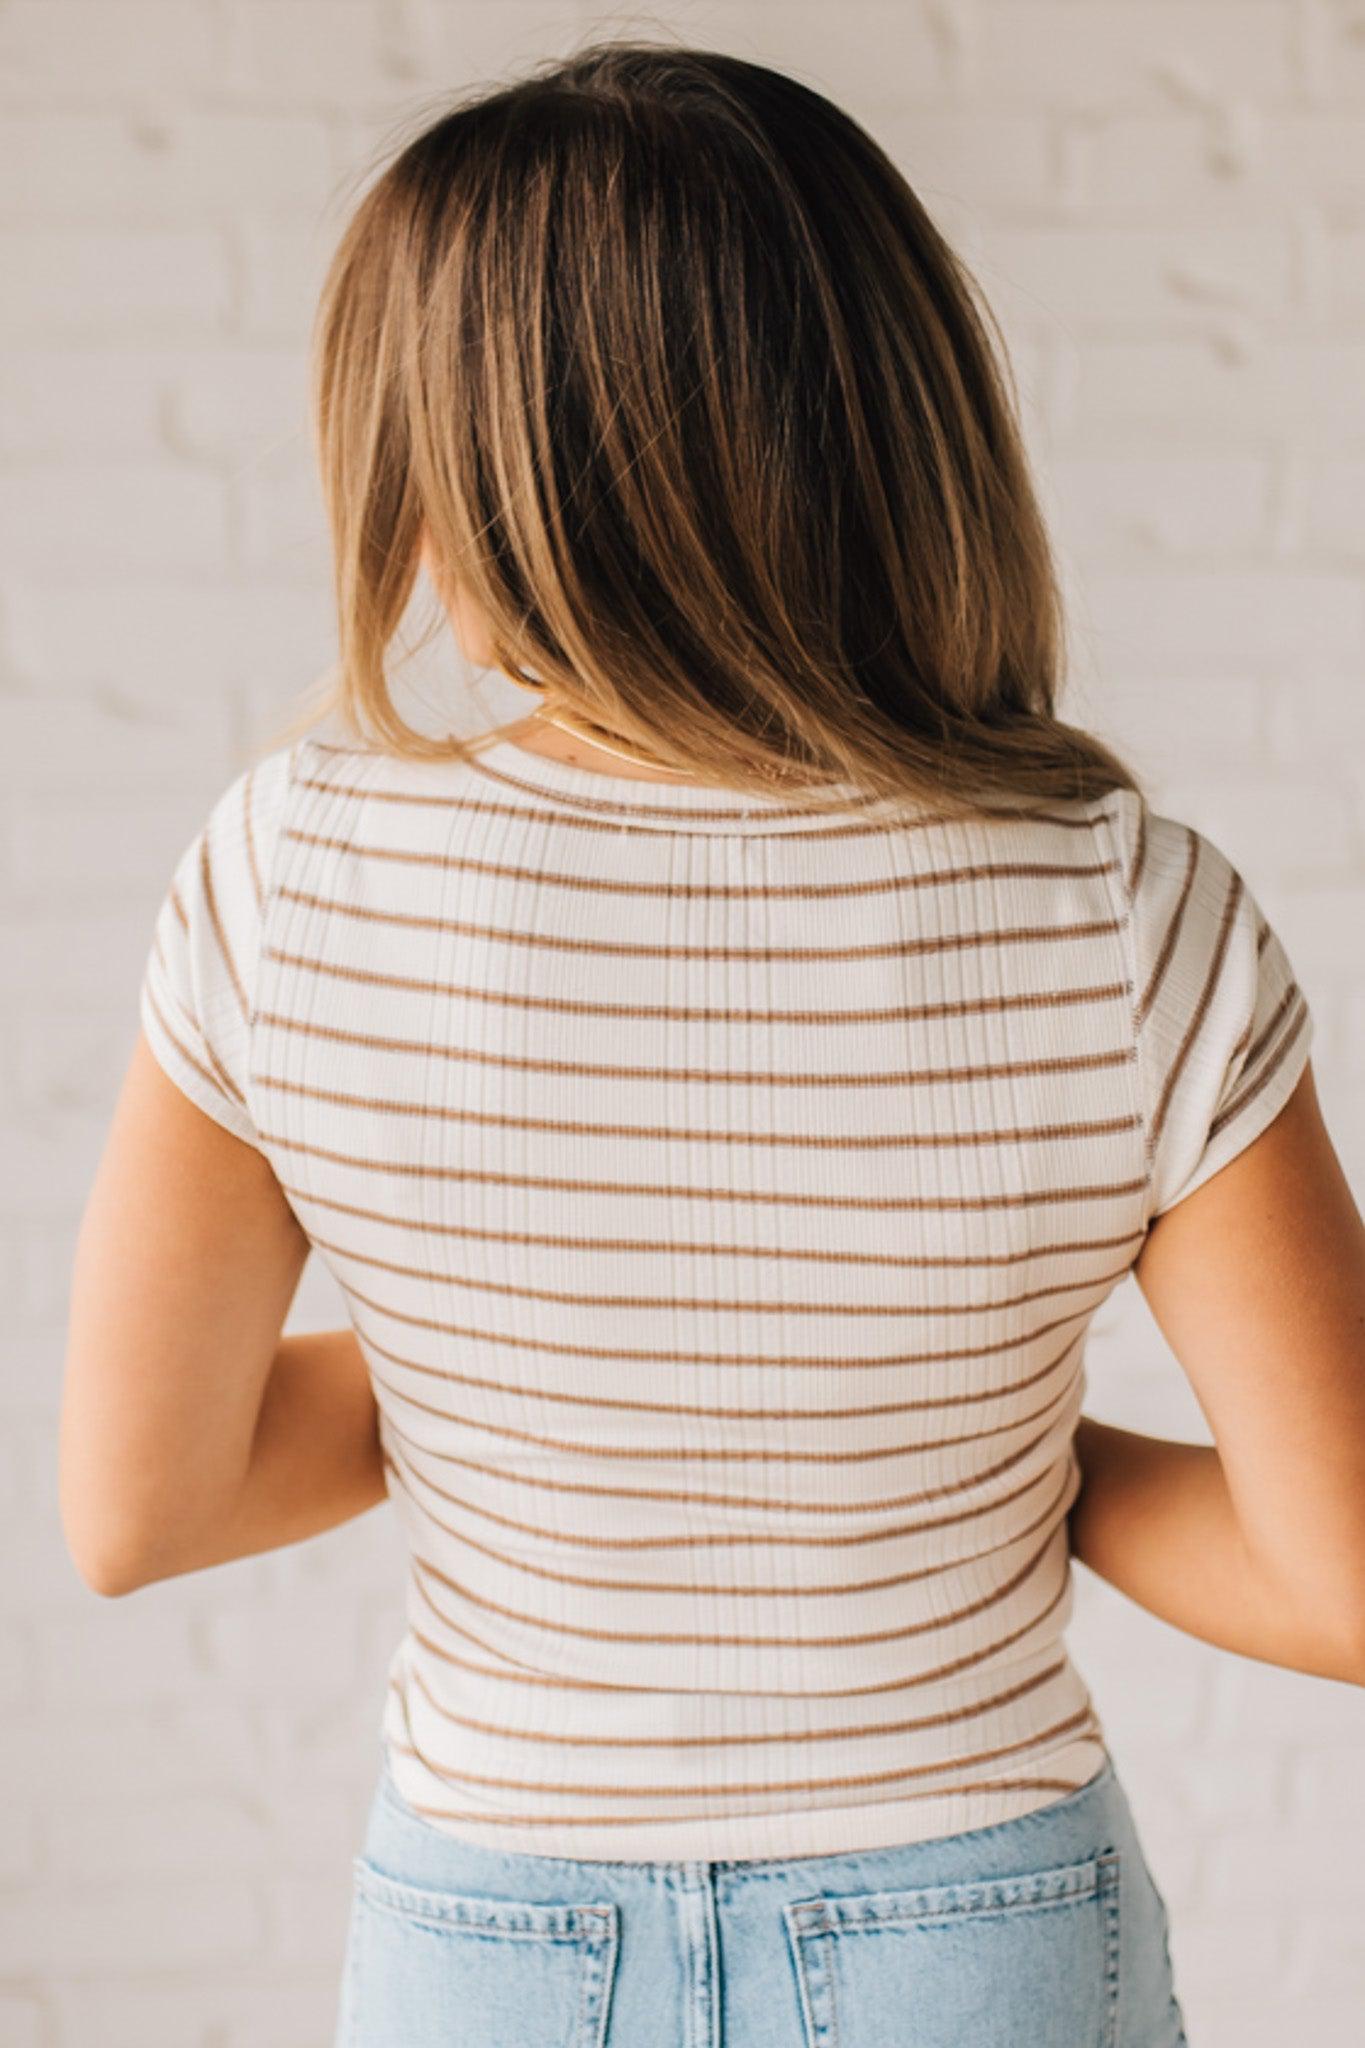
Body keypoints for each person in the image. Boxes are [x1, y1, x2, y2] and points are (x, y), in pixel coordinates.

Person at [60, 40, 1365, 2048]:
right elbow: (1339, 1574)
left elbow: (139, 1503)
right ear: (880, 412)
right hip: (971, 1912)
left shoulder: (289, 872)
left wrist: (524, 1391)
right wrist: (993, 1458)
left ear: (463, 469)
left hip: (488, 1930)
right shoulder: (1114, 901)